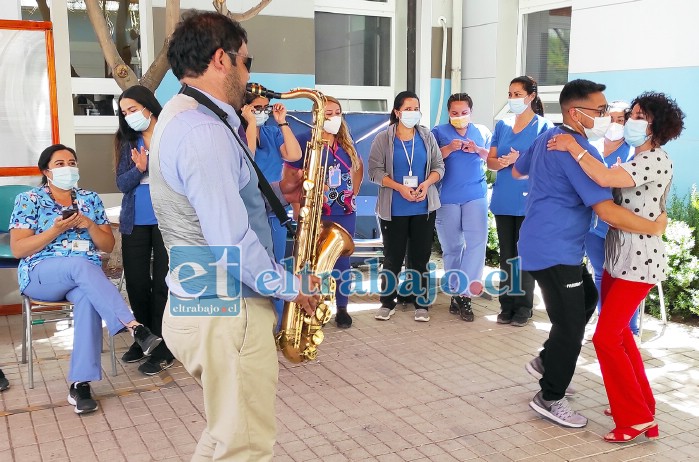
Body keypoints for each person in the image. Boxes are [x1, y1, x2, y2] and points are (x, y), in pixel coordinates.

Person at [148, 11, 319, 460]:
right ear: (221, 59)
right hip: (227, 311)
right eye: (247, 60)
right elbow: (229, 240)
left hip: (205, 301)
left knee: (227, 437)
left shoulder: (183, 115)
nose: (250, 73)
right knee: (243, 445)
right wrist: (288, 286)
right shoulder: (204, 130)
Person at [512, 79, 667, 428]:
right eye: (599, 111)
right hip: (554, 248)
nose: (607, 117)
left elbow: (518, 169)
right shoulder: (575, 150)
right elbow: (607, 211)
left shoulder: (547, 138)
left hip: (546, 242)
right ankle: (550, 396)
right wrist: (654, 227)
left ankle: (547, 360)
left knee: (588, 298)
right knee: (569, 328)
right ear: (574, 112)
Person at [547, 92, 684, 442]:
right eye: (630, 114)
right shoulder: (632, 157)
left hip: (640, 260)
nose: (630, 121)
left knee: (606, 337)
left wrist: (572, 147)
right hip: (618, 255)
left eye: (639, 116)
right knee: (619, 335)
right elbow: (602, 178)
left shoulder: (654, 159)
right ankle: (643, 407)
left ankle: (635, 417)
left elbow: (605, 181)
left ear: (656, 126)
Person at [9, 144, 162, 414]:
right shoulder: (29, 199)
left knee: (88, 299)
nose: (68, 167)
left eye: (72, 162)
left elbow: (106, 244)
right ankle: (134, 326)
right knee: (80, 265)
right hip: (41, 274)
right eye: (59, 164)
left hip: (84, 278)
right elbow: (19, 249)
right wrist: (55, 231)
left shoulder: (89, 199)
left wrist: (90, 225)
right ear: (46, 171)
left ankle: (80, 384)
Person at [285, 95, 363, 328]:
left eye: (336, 112)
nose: (333, 117)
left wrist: (351, 195)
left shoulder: (347, 143)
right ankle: (309, 307)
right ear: (316, 116)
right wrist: (300, 213)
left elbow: (358, 169)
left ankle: (342, 307)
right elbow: (289, 179)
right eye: (327, 113)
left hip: (345, 212)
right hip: (315, 214)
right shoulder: (303, 141)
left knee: (341, 262)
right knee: (310, 263)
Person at [368, 91, 444, 322]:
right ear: (397, 112)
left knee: (420, 258)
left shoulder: (427, 137)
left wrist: (426, 184)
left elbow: (439, 167)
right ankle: (387, 302)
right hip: (394, 210)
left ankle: (420, 303)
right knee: (392, 258)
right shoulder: (383, 138)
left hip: (423, 208)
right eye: (408, 109)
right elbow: (374, 172)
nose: (413, 113)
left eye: (416, 108)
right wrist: (399, 187)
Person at [115, 85, 175, 375]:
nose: (129, 116)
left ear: (148, 107)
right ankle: (143, 338)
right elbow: (122, 184)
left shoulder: (170, 135)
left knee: (164, 284)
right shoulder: (128, 142)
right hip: (134, 222)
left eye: (133, 109)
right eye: (125, 112)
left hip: (167, 221)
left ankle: (164, 347)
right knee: (137, 282)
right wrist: (139, 169)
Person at [487, 76, 553, 327]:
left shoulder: (544, 127)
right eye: (510, 94)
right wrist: (502, 162)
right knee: (507, 256)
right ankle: (506, 306)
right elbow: (490, 161)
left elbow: (547, 163)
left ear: (531, 97)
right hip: (504, 199)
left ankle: (524, 307)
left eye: (518, 94)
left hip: (529, 201)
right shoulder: (503, 126)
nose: (513, 99)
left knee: (524, 255)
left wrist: (520, 160)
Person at [431, 93, 492, 322]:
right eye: (454, 113)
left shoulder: (483, 132)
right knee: (452, 247)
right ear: (448, 113)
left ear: (471, 112)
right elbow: (431, 160)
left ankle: (465, 294)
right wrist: (448, 149)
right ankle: (455, 292)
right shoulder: (438, 132)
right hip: (447, 197)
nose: (459, 117)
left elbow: (492, 160)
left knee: (477, 243)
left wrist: (477, 150)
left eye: (464, 113)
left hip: (475, 195)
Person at [584, 100, 640, 334]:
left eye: (621, 120)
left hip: (617, 225)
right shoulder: (591, 147)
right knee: (600, 273)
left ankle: (629, 328)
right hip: (592, 224)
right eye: (612, 119)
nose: (615, 124)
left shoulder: (632, 151)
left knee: (621, 276)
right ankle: (606, 323)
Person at [240, 87, 302, 263]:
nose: (261, 112)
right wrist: (251, 123)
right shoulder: (237, 132)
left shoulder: (272, 132)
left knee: (276, 262)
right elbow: (248, 157)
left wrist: (282, 122)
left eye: (265, 107)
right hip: (250, 208)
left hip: (275, 208)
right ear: (244, 107)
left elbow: (294, 155)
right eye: (256, 108)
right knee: (252, 263)